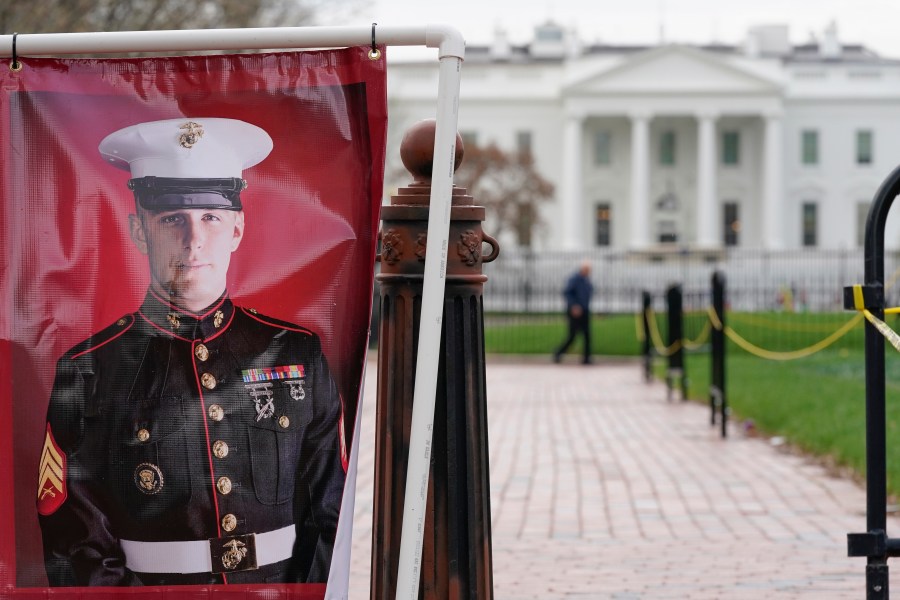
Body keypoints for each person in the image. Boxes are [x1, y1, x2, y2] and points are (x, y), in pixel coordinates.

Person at [36, 118, 346, 586]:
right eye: (172, 219)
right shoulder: (89, 370)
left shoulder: (295, 352)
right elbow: (75, 540)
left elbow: (332, 509)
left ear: (237, 230)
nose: (194, 240)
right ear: (139, 230)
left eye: (211, 218)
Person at [553, 259, 594, 364]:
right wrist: (574, 306)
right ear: (582, 268)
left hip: (584, 310)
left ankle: (586, 358)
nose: (589, 271)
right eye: (587, 269)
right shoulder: (574, 279)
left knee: (587, 335)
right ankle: (558, 353)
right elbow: (567, 292)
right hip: (575, 311)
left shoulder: (586, 280)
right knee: (572, 336)